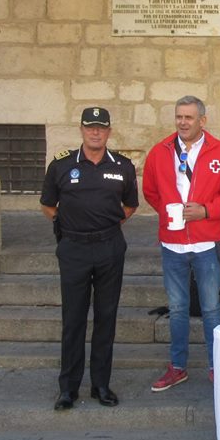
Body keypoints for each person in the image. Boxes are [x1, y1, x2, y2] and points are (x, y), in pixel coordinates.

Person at [40, 107, 138, 411]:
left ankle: (100, 385)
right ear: (81, 130)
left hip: (109, 248)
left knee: (106, 319)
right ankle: (68, 388)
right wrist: (73, 225)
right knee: (73, 320)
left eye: (101, 128)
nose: (95, 133)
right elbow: (47, 205)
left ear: (109, 132)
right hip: (74, 249)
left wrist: (105, 226)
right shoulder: (61, 165)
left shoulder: (123, 166)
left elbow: (130, 206)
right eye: (90, 127)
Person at [143, 96, 220, 389]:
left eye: (189, 117)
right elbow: (150, 190)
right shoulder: (160, 151)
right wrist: (168, 211)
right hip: (173, 243)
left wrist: (206, 210)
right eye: (179, 117)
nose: (183, 123)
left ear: (202, 120)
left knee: (212, 307)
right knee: (177, 308)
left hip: (207, 243)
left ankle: (217, 366)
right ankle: (177, 367)